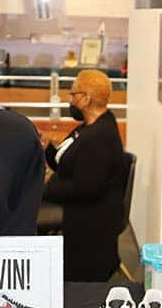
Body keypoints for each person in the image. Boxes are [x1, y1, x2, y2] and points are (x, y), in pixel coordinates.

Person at [44, 69, 126, 282]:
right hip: (79, 203)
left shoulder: (100, 137)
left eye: (73, 95)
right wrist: (46, 147)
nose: (69, 100)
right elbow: (65, 162)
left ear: (86, 99)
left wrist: (42, 189)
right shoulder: (90, 128)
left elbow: (86, 188)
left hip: (89, 216)